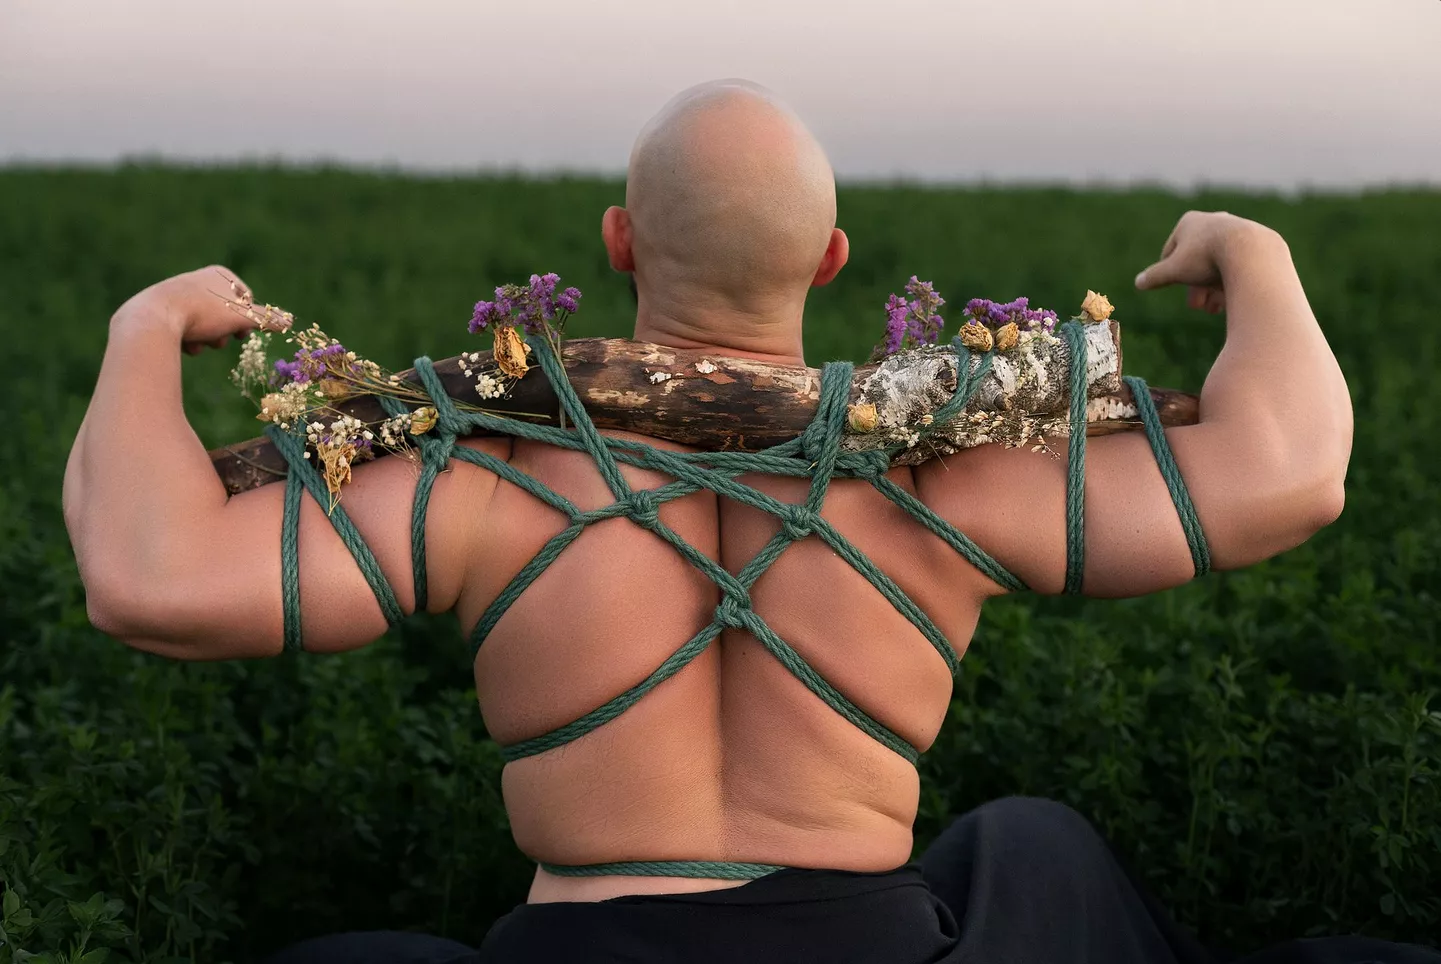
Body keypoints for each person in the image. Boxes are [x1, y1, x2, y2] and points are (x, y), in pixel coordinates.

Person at [65, 79, 1420, 963]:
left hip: (586, 953)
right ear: (833, 262)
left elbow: (147, 575)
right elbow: (1290, 471)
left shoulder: (479, 476)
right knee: (1035, 852)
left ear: (617, 243)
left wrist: (142, 333)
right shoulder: (936, 476)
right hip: (871, 943)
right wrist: (1257, 252)